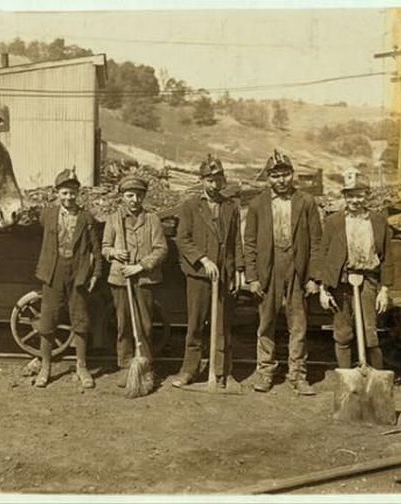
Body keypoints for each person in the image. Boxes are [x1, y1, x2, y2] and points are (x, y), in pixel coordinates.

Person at [244, 150, 322, 395]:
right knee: (266, 323)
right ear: (269, 178)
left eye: (285, 175)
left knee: (298, 323)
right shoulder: (257, 204)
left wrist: (313, 277)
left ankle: (298, 375)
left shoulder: (306, 202)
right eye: (275, 176)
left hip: (297, 267)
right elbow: (250, 243)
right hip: (270, 267)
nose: (281, 180)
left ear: (292, 175)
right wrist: (253, 277)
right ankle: (265, 372)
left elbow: (317, 242)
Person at [171, 155, 244, 388]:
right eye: (210, 180)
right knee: (195, 324)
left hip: (224, 274)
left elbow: (236, 242)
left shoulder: (231, 206)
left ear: (223, 180)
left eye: (218, 180)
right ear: (201, 180)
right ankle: (189, 370)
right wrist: (203, 260)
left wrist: (238, 270)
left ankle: (222, 372)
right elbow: (182, 239)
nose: (214, 185)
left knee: (222, 324)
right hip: (199, 275)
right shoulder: (190, 206)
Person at [34, 168, 103, 388]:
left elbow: (96, 248)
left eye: (73, 193)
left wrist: (96, 273)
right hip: (52, 272)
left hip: (78, 273)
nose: (69, 197)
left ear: (78, 194)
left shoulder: (86, 217)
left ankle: (82, 367)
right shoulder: (47, 214)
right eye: (64, 193)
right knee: (47, 321)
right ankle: (46, 367)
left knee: (80, 320)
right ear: (57, 193)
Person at [317, 171, 391, 370]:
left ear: (367, 195)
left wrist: (384, 290)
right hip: (340, 282)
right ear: (345, 196)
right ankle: (346, 377)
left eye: (359, 195)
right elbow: (323, 256)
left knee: (369, 333)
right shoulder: (334, 222)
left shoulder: (378, 221)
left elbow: (386, 257)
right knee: (343, 332)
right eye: (350, 195)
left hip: (368, 281)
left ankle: (375, 376)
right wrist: (324, 289)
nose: (355, 200)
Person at [101, 174, 168, 388]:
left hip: (145, 279)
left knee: (145, 325)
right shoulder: (113, 220)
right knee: (123, 325)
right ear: (123, 197)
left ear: (143, 197)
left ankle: (146, 367)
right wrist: (113, 252)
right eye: (130, 195)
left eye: (139, 195)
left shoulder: (152, 219)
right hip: (120, 280)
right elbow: (104, 247)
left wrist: (140, 266)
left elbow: (161, 249)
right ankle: (125, 367)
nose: (134, 200)